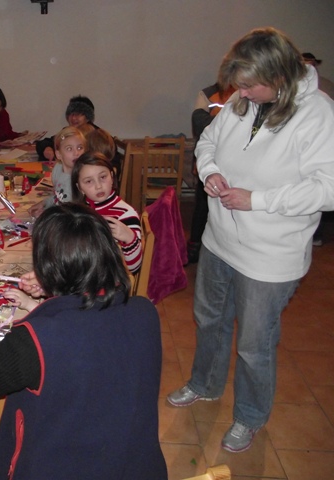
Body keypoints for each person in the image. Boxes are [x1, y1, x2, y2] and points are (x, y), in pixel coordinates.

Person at [167, 28, 334, 453]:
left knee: (255, 345)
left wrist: (258, 200)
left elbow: (328, 188)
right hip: (220, 241)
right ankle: (205, 384)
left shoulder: (318, 114)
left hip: (269, 257)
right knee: (210, 320)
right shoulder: (243, 102)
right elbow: (208, 141)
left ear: (277, 76)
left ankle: (250, 416)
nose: (238, 93)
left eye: (247, 84)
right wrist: (210, 172)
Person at [0, 203, 167, 480]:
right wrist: (58, 291)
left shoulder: (38, 339)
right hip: (134, 469)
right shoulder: (145, 312)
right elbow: (92, 331)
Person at [186, 82, 236, 263]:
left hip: (234, 163)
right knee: (203, 205)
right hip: (210, 162)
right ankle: (195, 246)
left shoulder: (248, 93)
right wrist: (230, 124)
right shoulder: (209, 94)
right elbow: (200, 124)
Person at [72, 152, 143, 274]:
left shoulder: (126, 214)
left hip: (109, 280)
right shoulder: (79, 212)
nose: (98, 186)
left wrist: (130, 238)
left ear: (112, 176)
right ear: (80, 188)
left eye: (103, 177)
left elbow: (134, 269)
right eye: (89, 181)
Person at [301, 52, 334, 246]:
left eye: (311, 63)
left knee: (320, 188)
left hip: (323, 142)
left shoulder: (326, 87)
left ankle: (317, 235)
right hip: (306, 146)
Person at [28, 126, 85, 218]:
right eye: (69, 149)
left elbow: (70, 213)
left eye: (80, 148)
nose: (76, 153)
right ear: (58, 154)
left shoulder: (83, 178)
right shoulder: (58, 169)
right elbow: (59, 197)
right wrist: (44, 203)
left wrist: (46, 214)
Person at [35, 95, 97, 161]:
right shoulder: (68, 132)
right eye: (71, 114)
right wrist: (47, 148)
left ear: (87, 117)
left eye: (78, 114)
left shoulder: (96, 135)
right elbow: (45, 142)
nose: (73, 118)